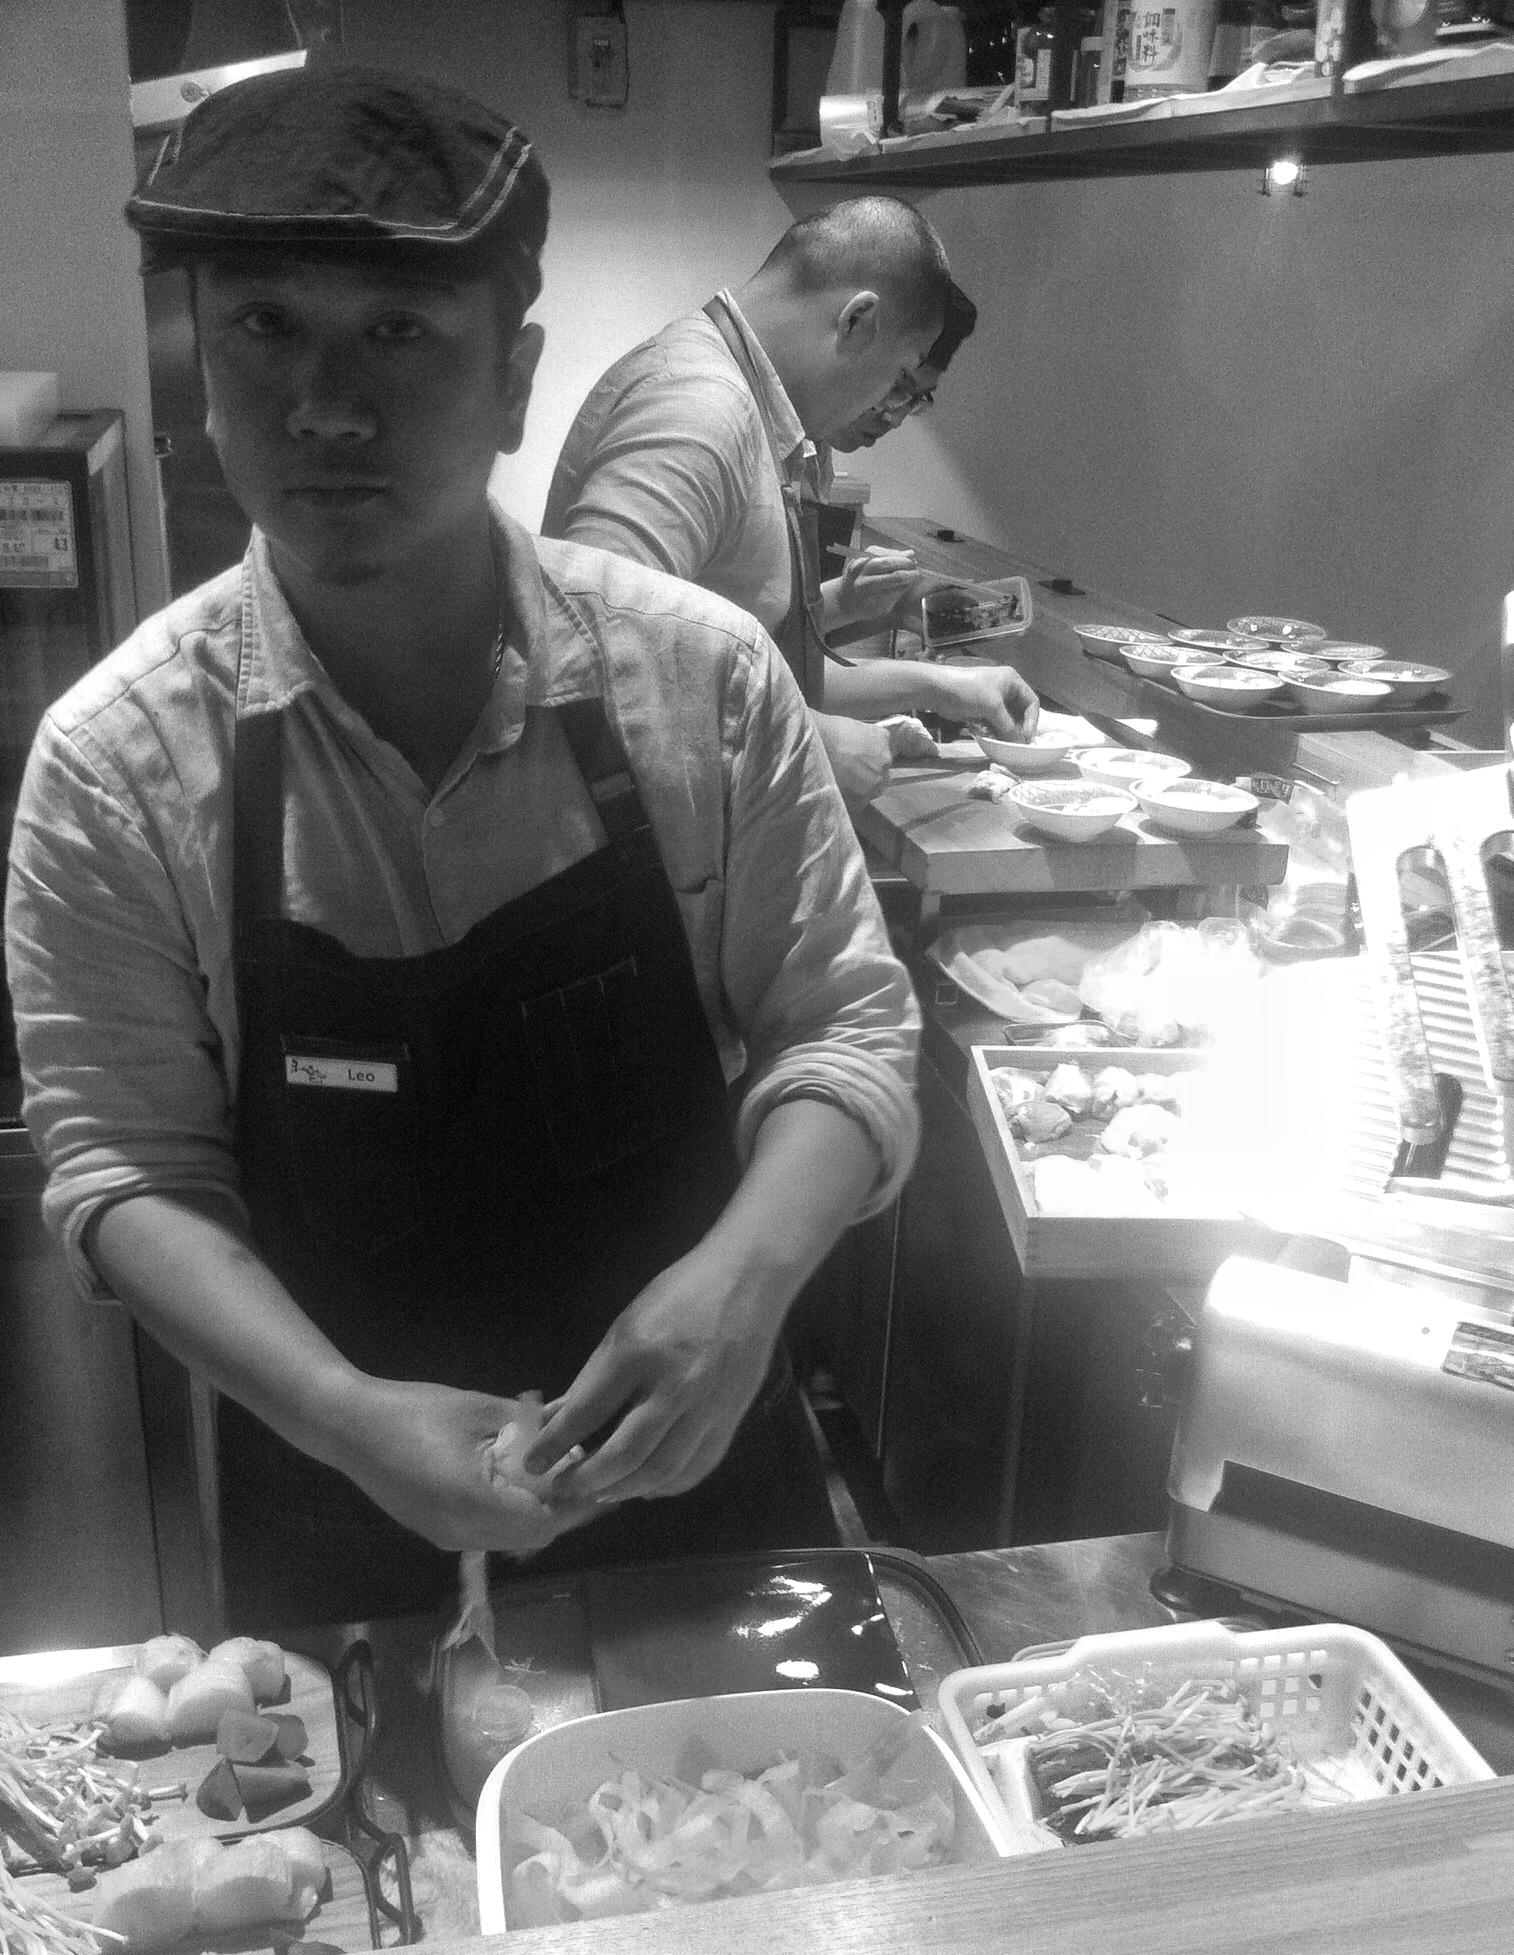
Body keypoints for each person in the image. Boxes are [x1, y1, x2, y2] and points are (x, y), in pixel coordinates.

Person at [3, 65, 921, 1631]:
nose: (323, 404)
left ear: (513, 381)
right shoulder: (115, 766)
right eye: (263, 327)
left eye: (397, 332)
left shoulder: (697, 681)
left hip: (709, 1528)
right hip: (342, 1543)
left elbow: (844, 1024)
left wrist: (744, 1284)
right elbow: (125, 1161)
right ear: (204, 372)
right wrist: (344, 1412)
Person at [541, 203, 1037, 808]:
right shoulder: (700, 411)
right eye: (900, 376)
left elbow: (736, 673)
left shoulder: (743, 408)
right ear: (857, 320)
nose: (888, 405)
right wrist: (809, 745)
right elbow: (584, 660)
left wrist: (941, 685)